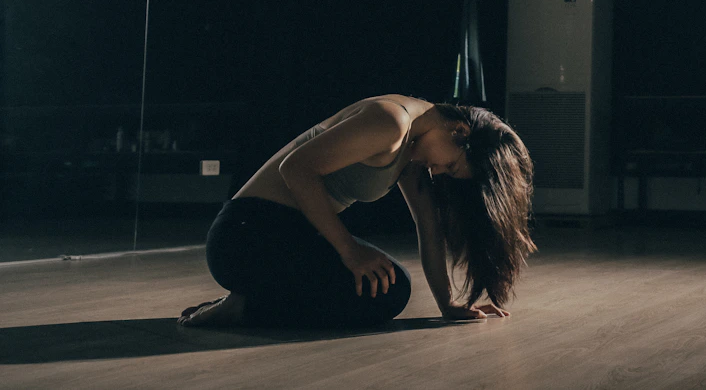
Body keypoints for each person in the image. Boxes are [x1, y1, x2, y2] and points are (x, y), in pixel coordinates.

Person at [177, 95, 536, 327]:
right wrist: (348, 250)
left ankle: (248, 298)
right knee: (381, 291)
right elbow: (295, 169)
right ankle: (243, 307)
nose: (439, 172)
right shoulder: (391, 123)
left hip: (288, 234)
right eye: (452, 166)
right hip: (246, 234)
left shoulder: (413, 149)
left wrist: (448, 303)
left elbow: (429, 227)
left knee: (391, 287)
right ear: (459, 131)